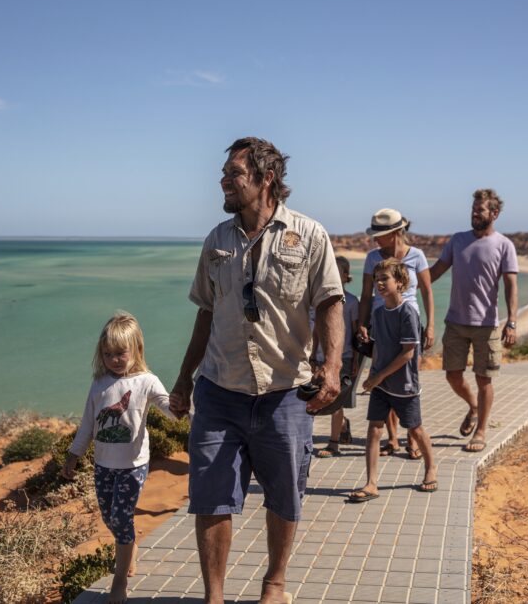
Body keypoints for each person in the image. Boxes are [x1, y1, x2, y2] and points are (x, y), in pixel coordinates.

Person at [168, 137, 344, 604]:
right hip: (219, 391)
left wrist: (331, 367)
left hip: (285, 392)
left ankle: (275, 582)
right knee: (210, 499)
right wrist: (184, 380)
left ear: (267, 179)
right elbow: (205, 313)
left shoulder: (309, 235)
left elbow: (330, 302)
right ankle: (214, 597)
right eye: (224, 174)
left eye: (234, 174)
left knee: (285, 496)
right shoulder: (217, 240)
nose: (223, 181)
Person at [62, 310, 173, 604]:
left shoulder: (147, 381)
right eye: (108, 354)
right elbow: (87, 423)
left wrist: (184, 407)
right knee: (110, 517)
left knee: (121, 518)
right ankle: (129, 544)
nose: (114, 359)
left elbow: (167, 405)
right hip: (103, 464)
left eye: (120, 353)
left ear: (136, 349)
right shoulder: (99, 383)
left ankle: (119, 582)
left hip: (133, 465)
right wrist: (73, 455)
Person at [429, 189, 519, 453]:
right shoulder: (457, 241)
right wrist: (406, 285)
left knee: (484, 380)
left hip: (487, 324)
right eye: (473, 209)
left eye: (479, 210)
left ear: (494, 213)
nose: (474, 214)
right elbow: (435, 272)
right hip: (455, 321)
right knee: (452, 376)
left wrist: (511, 321)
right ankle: (474, 406)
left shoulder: (504, 245)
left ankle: (480, 430)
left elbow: (511, 286)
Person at [348, 259, 437, 502]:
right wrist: (371, 374)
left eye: (384, 279)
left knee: (415, 429)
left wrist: (378, 376)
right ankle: (371, 483)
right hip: (381, 384)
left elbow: (408, 353)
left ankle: (431, 468)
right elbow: (379, 347)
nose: (379, 283)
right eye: (377, 279)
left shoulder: (407, 312)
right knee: (374, 430)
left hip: (404, 385)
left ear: (400, 282)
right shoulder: (378, 313)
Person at [357, 208, 434, 458]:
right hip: (381, 323)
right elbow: (367, 293)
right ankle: (392, 438)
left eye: (380, 235)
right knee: (383, 375)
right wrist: (362, 322)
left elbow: (426, 292)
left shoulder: (418, 256)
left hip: (408, 322)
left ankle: (413, 436)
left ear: (395, 233)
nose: (375, 240)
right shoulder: (372, 258)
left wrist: (431, 326)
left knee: (408, 379)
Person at [312, 255, 360, 458]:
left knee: (335, 402)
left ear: (346, 276)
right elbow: (315, 331)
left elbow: (356, 332)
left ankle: (333, 444)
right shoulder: (319, 299)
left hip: (345, 358)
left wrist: (356, 361)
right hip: (318, 359)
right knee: (312, 398)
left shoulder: (351, 301)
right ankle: (308, 438)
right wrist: (312, 355)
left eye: (337, 272)